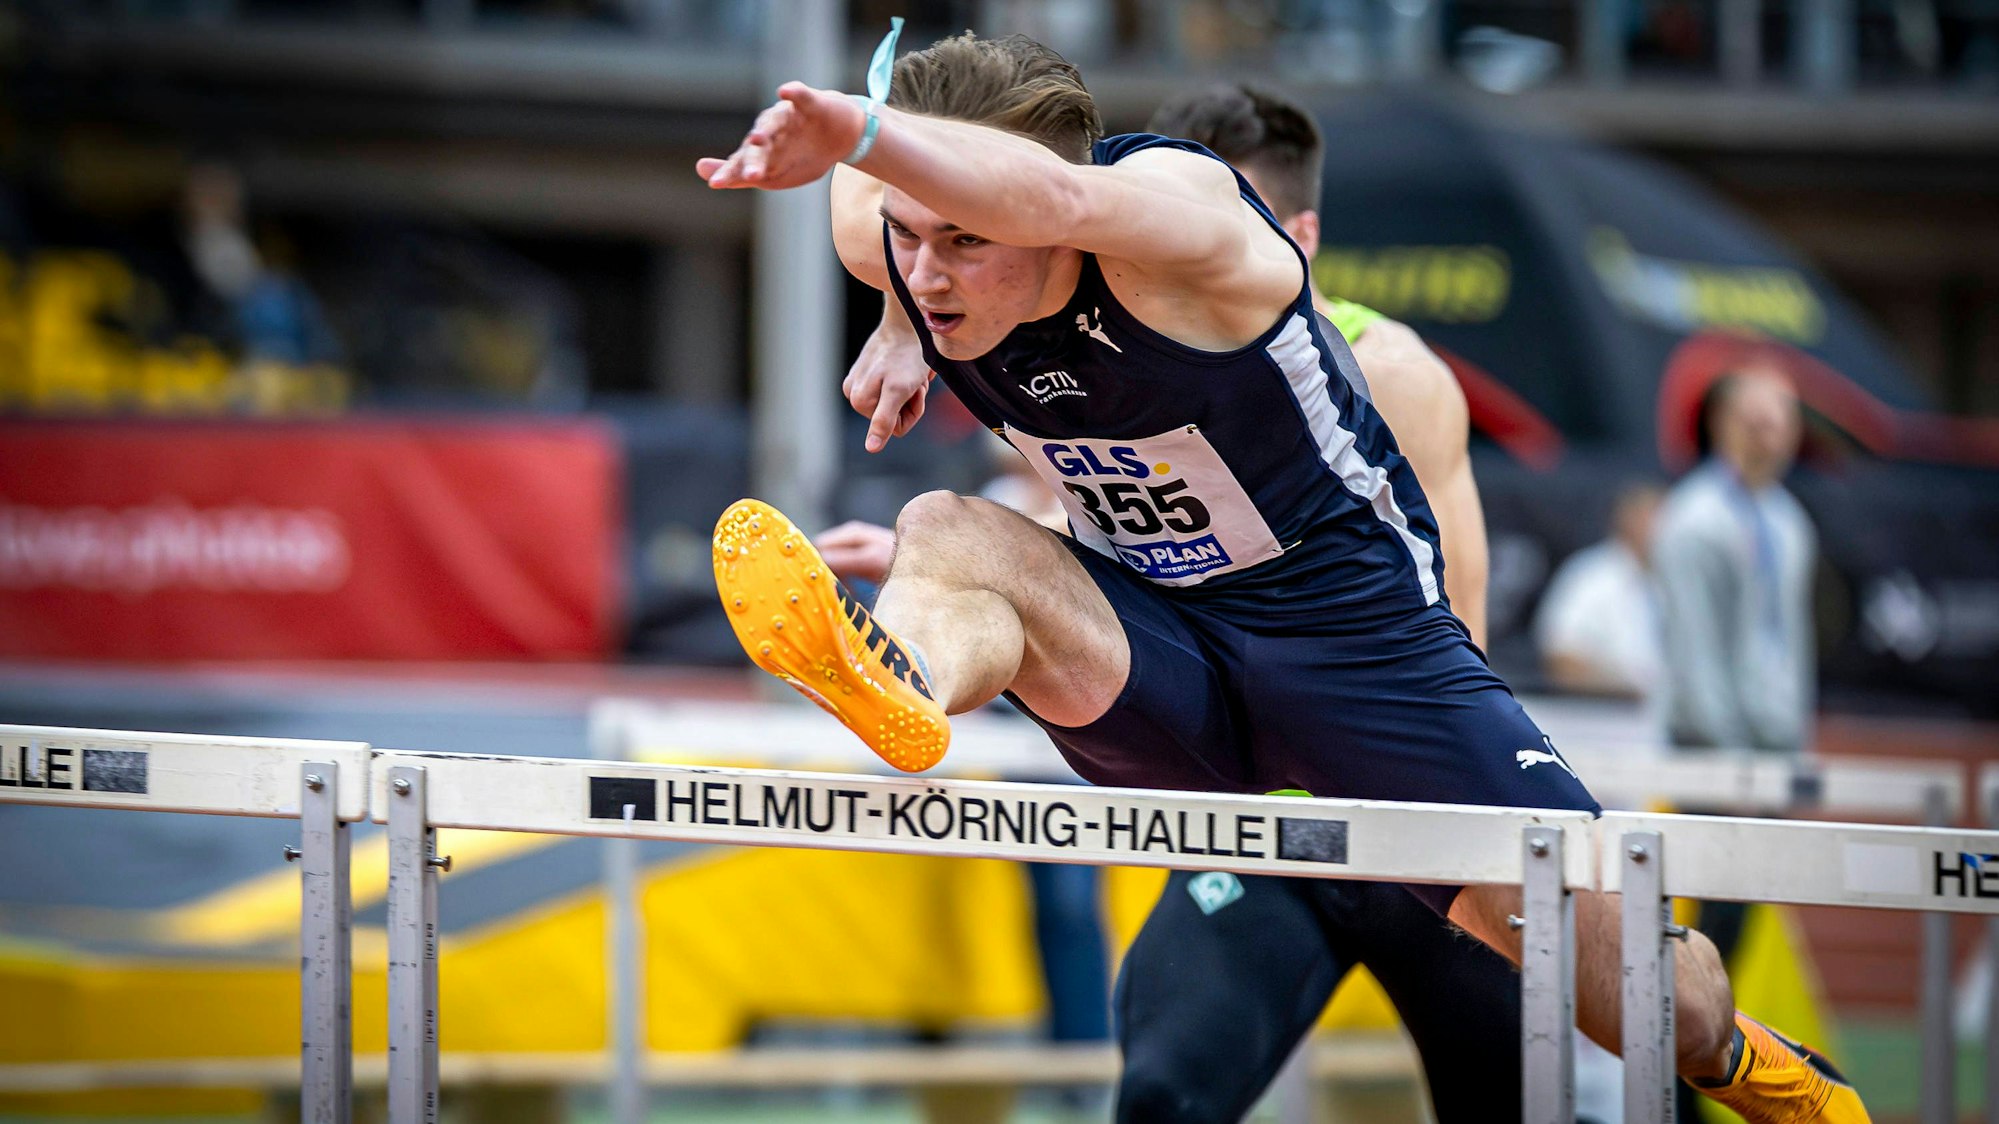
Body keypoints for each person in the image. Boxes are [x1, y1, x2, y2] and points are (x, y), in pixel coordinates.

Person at [700, 29, 1867, 1122]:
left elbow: (1033, 196)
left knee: (1630, 995)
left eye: (960, 241)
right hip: (1168, 649)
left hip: (1358, 654)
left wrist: (860, 139)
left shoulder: (1191, 232)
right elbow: (897, 199)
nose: (927, 267)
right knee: (943, 526)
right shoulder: (898, 234)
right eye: (909, 238)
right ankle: (896, 669)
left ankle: (1743, 1053)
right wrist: (903, 291)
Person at [820, 81, 1526, 1121]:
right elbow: (1143, 539)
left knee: (1514, 1094)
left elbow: (1445, 619)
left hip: (1390, 786)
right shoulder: (1073, 320)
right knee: (1159, 1093)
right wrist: (950, 557)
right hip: (1263, 820)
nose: (1146, 256)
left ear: (1293, 237)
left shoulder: (1390, 372)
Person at [1654, 364, 1817, 756]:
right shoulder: (1695, 519)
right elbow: (1693, 644)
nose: (1768, 438)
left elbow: (1794, 636)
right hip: (1709, 751)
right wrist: (1728, 758)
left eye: (1779, 423)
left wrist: (1797, 739)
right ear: (1722, 424)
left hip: (1776, 741)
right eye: (1755, 422)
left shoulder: (1789, 521)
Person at [1535, 481, 1667, 704]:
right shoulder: (1591, 577)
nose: (1667, 526)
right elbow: (1561, 659)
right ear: (1628, 519)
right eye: (1656, 515)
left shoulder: (1666, 582)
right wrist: (1628, 688)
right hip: (1603, 717)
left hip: (1659, 716)